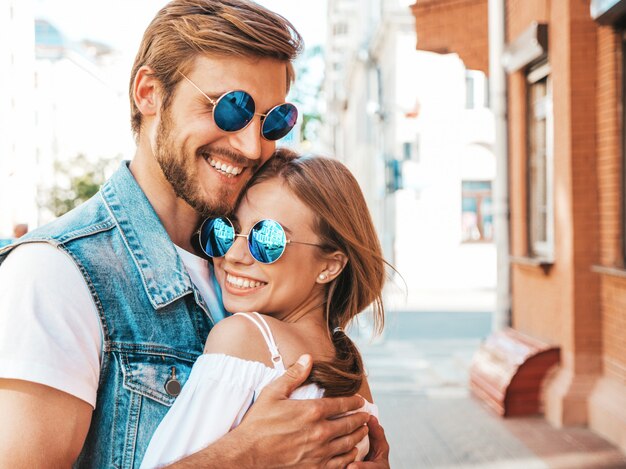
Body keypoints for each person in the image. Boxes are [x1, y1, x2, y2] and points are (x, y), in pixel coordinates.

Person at [0, 0, 390, 467]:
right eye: (230, 109)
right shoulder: (56, 273)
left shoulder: (241, 256)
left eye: (273, 121)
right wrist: (247, 455)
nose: (251, 145)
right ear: (148, 92)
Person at [141, 151, 386, 467]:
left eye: (267, 239)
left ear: (330, 265)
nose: (234, 254)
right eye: (226, 230)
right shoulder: (352, 371)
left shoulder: (242, 337)